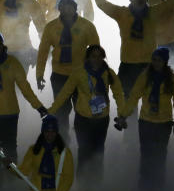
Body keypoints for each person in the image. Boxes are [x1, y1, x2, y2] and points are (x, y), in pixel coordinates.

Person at [0, 30, 48, 189]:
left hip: (10, 113)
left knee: (10, 149)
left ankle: (12, 183)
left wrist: (38, 106)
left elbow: (25, 88)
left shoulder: (12, 63)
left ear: (3, 45)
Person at [48, 45, 125, 183]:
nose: (96, 59)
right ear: (88, 58)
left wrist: (122, 115)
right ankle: (82, 185)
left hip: (102, 119)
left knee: (99, 151)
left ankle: (97, 184)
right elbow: (65, 92)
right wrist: (51, 111)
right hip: (83, 119)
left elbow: (119, 94)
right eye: (93, 56)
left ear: (103, 57)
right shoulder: (79, 73)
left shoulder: (109, 73)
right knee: (84, 150)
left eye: (99, 56)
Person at [36, 0, 100, 143]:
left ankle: (83, 141)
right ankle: (63, 142)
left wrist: (96, 74)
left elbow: (96, 51)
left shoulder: (86, 26)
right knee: (61, 112)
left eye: (71, 5)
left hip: (81, 75)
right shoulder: (51, 27)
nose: (68, 9)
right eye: (64, 6)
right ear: (59, 8)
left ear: (76, 8)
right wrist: (39, 75)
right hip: (59, 75)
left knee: (83, 109)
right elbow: (43, 52)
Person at [120, 47, 174, 191]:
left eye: (159, 60)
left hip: (164, 122)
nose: (155, 63)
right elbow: (134, 96)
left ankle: (159, 184)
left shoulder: (173, 79)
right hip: (146, 121)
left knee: (160, 154)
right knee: (146, 154)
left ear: (165, 61)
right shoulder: (145, 76)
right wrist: (123, 114)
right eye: (154, 59)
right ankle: (145, 184)